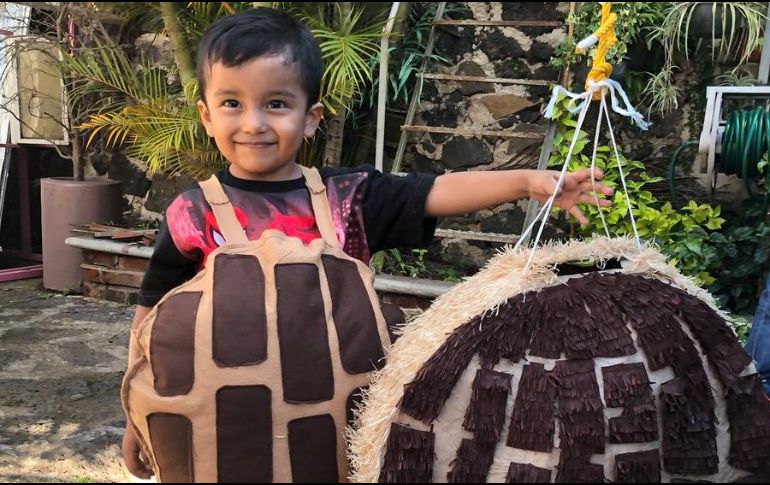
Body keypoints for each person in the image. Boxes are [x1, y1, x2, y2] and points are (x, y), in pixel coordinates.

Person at [121, 7, 613, 479]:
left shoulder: (349, 197)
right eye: (232, 104)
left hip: (348, 423)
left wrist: (526, 182)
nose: (253, 123)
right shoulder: (191, 214)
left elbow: (435, 190)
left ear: (310, 116)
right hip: (230, 428)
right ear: (206, 116)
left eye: (276, 103)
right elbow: (152, 320)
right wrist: (135, 417)